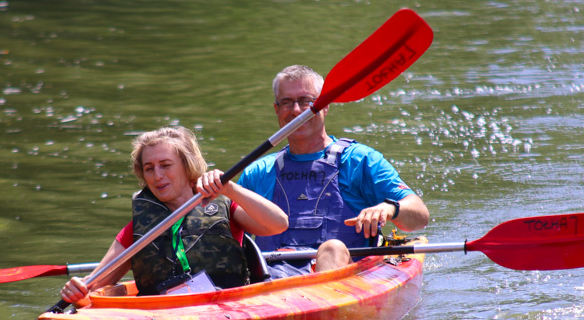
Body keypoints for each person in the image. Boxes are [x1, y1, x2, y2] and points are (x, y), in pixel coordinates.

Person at [238, 65, 429, 277]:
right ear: (276, 109)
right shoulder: (257, 173)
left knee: (332, 248)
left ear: (325, 106)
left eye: (305, 101)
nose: (295, 110)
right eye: (286, 102)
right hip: (271, 282)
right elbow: (227, 235)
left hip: (345, 279)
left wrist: (388, 208)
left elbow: (420, 215)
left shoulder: (359, 160)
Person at [60, 126, 288, 301]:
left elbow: (278, 224)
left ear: (187, 166)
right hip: (163, 313)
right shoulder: (140, 227)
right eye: (149, 168)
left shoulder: (226, 206)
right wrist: (78, 289)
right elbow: (94, 284)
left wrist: (230, 188)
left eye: (165, 165)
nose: (156, 175)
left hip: (223, 306)